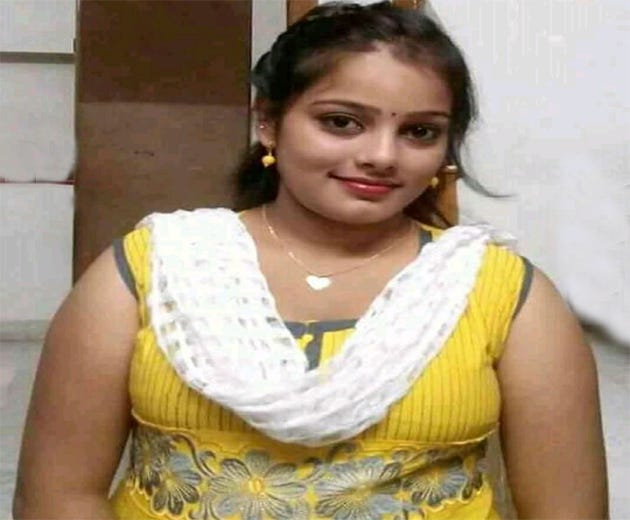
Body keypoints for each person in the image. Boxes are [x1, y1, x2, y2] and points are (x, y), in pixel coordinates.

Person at [13, 2, 608, 519]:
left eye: (420, 132)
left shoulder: (501, 292)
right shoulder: (153, 270)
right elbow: (57, 498)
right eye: (341, 123)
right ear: (269, 122)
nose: (382, 155)